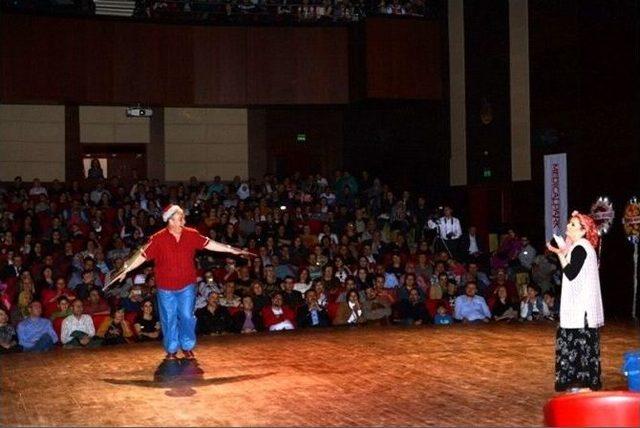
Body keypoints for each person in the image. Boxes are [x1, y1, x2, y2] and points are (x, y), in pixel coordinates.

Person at [108, 204, 251, 360]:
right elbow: (141, 256)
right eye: (180, 216)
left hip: (187, 286)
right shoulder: (158, 238)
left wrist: (232, 249)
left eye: (183, 216)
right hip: (165, 288)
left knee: (187, 316)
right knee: (169, 318)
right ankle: (171, 349)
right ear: (170, 220)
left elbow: (210, 244)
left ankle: (187, 346)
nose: (184, 219)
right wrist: (126, 270)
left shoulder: (191, 234)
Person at [546, 211, 604, 392]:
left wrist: (560, 254)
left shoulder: (581, 247)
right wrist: (561, 251)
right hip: (580, 308)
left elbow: (570, 273)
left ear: (583, 230)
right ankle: (581, 384)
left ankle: (582, 385)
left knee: (579, 346)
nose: (567, 227)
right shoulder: (581, 247)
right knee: (579, 345)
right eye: (569, 223)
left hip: (581, 310)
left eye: (572, 225)